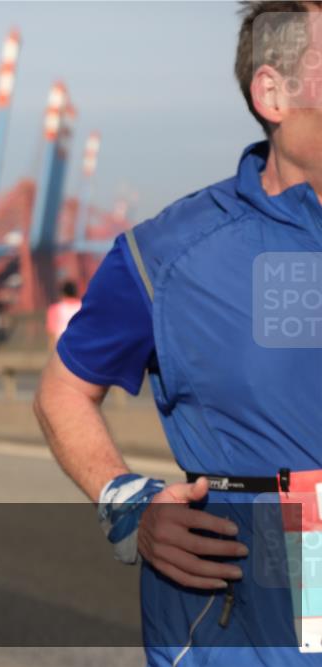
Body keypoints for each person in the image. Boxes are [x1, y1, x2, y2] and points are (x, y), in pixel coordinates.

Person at [34, 4, 322, 666]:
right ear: (272, 93)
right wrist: (128, 503)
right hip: (238, 618)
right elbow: (62, 391)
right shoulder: (166, 255)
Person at [45, 281, 83, 347]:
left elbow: (52, 332)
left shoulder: (55, 308)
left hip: (63, 346)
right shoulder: (83, 307)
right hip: (81, 344)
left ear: (63, 293)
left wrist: (53, 351)